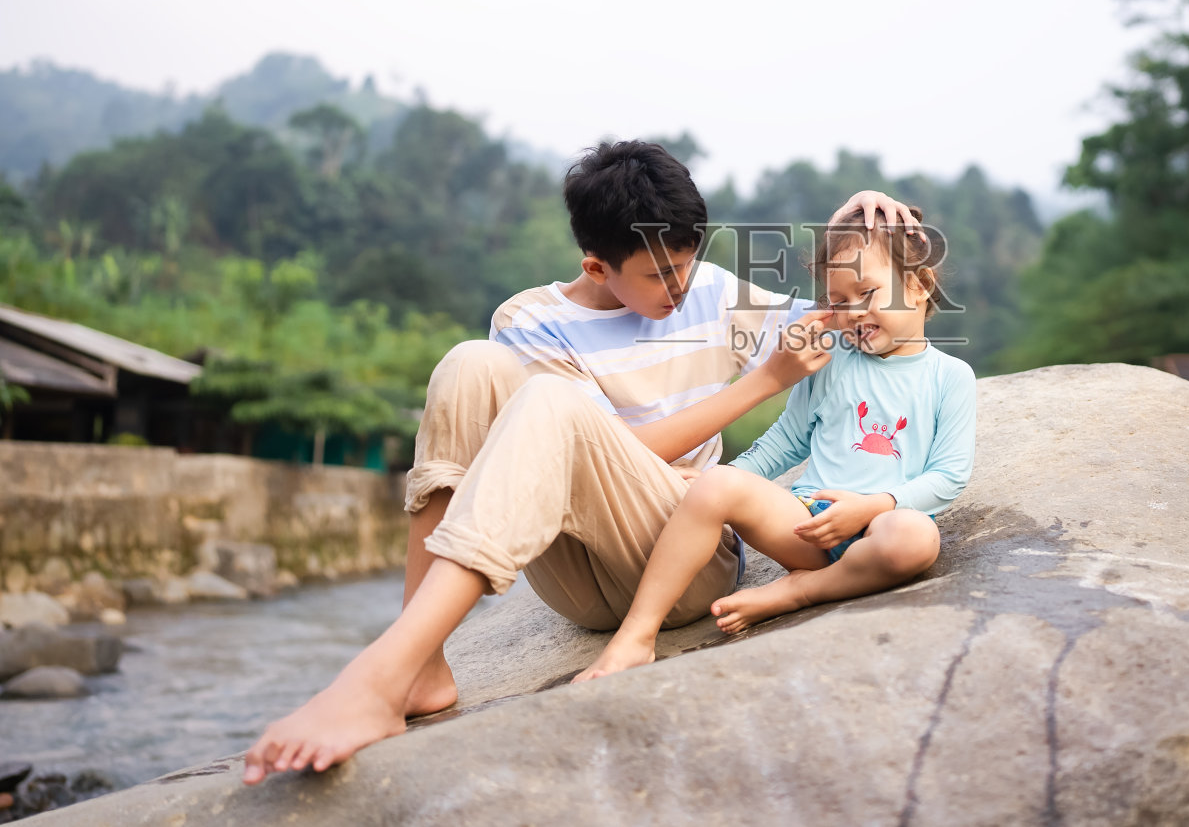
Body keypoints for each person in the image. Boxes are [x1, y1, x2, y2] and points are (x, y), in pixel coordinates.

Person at [242, 140, 922, 783]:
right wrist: (757, 385)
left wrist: (852, 221)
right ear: (597, 265)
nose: (680, 285)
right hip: (576, 572)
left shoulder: (715, 295)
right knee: (470, 367)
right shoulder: (530, 320)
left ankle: (376, 678)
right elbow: (570, 446)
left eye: (687, 260)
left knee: (549, 403)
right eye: (658, 273)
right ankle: (417, 665)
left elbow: (847, 313)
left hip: (682, 559)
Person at [575, 204, 976, 681]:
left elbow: (948, 477)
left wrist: (873, 507)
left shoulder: (950, 377)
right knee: (716, 483)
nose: (852, 313)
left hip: (882, 530)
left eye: (867, 293)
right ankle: (637, 634)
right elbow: (787, 440)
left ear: (920, 285)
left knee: (916, 539)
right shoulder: (834, 359)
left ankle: (799, 593)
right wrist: (718, 482)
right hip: (807, 525)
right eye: (838, 300)